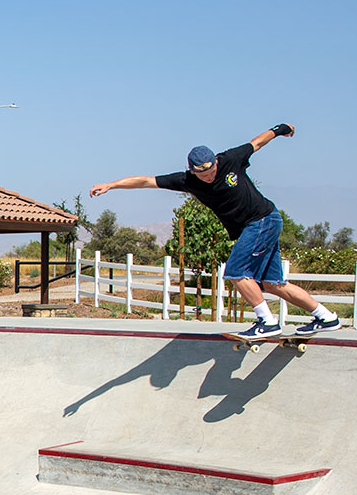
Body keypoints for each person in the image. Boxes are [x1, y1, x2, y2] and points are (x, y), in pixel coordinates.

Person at [89, 124, 341, 340]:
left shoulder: (231, 158)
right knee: (272, 284)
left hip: (263, 219)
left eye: (211, 172)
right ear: (192, 171)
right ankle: (326, 317)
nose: (209, 177)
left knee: (235, 271)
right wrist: (111, 185)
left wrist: (280, 130)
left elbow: (257, 143)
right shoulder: (186, 180)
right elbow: (145, 181)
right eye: (203, 175)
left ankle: (267, 322)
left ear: (216, 162)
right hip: (259, 225)